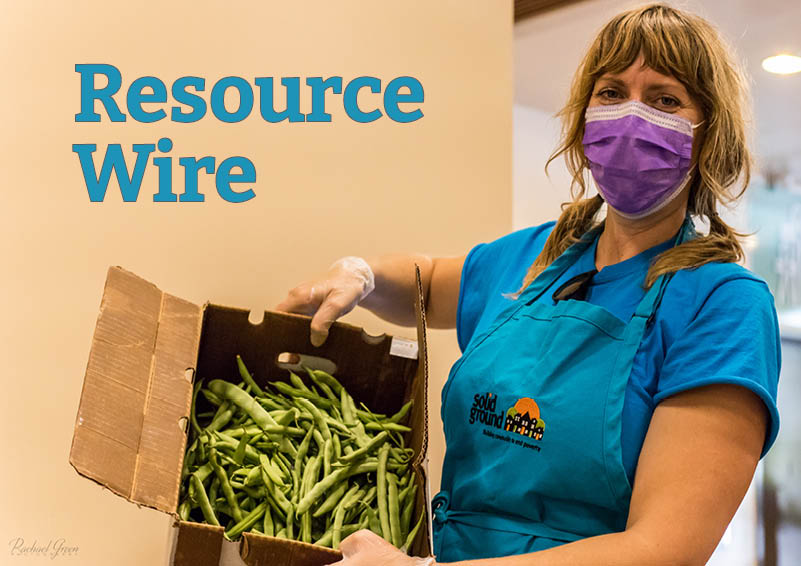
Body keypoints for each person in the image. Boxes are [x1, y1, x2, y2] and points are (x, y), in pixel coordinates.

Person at [276, 4, 781, 565]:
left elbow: (662, 551)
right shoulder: (540, 257)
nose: (632, 114)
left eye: (664, 99)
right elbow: (430, 280)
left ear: (708, 133)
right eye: (612, 91)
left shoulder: (722, 304)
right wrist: (361, 276)